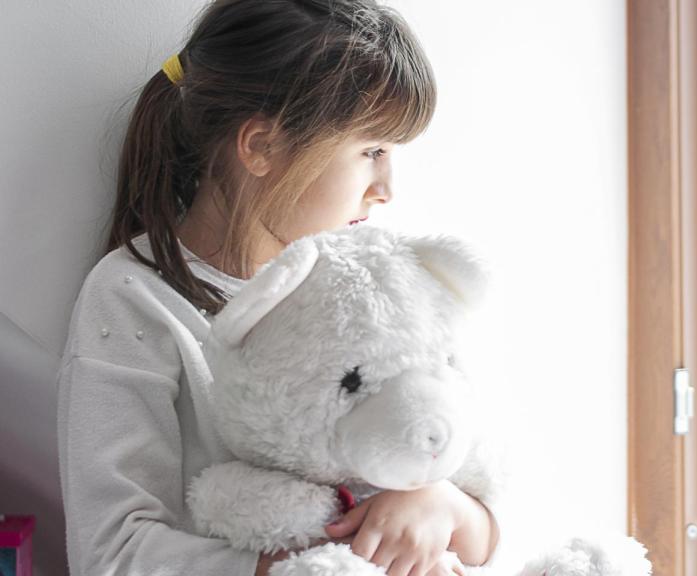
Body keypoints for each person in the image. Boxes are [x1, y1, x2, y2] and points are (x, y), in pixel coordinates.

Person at [55, 1, 500, 575]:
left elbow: (487, 494)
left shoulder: (384, 281)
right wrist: (308, 566)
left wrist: (441, 503)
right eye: (372, 152)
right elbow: (110, 552)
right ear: (262, 146)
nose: (386, 188)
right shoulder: (133, 299)